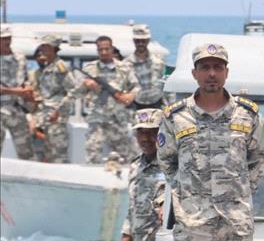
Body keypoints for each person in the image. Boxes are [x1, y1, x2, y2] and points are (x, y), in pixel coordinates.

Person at [157, 43, 264, 241]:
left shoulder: (247, 115)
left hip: (235, 228)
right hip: (193, 228)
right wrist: (191, 197)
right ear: (194, 73)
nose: (211, 73)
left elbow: (258, 159)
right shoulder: (175, 117)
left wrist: (237, 195)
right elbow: (167, 162)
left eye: (217, 67)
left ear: (226, 72)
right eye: (205, 67)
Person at [99, 108, 166, 241]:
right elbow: (133, 211)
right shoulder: (136, 166)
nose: (146, 138)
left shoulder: (175, 165)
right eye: (141, 132)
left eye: (152, 132)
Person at [80, 35, 140, 163]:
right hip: (97, 118)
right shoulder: (89, 69)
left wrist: (130, 96)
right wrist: (86, 84)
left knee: (131, 154)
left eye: (106, 49)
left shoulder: (124, 68)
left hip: (118, 118)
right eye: (100, 49)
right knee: (92, 152)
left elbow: (136, 87)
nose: (104, 52)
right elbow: (77, 91)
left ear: (112, 49)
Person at [29, 35, 78, 163]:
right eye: (42, 47)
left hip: (56, 118)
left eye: (45, 47)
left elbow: (73, 91)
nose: (42, 50)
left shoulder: (60, 68)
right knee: (47, 154)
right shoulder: (46, 67)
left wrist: (59, 111)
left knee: (58, 155)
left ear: (53, 49)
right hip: (45, 117)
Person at [0, 24, 35, 159]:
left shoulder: (20, 58)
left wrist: (28, 88)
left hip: (17, 110)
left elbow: (25, 80)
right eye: (3, 39)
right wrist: (18, 92)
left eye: (8, 38)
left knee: (27, 153)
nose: (7, 41)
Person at [124, 24, 167, 109]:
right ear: (134, 41)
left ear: (148, 40)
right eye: (137, 41)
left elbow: (165, 84)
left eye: (143, 41)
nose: (140, 44)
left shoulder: (159, 61)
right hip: (134, 106)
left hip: (157, 104)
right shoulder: (125, 64)